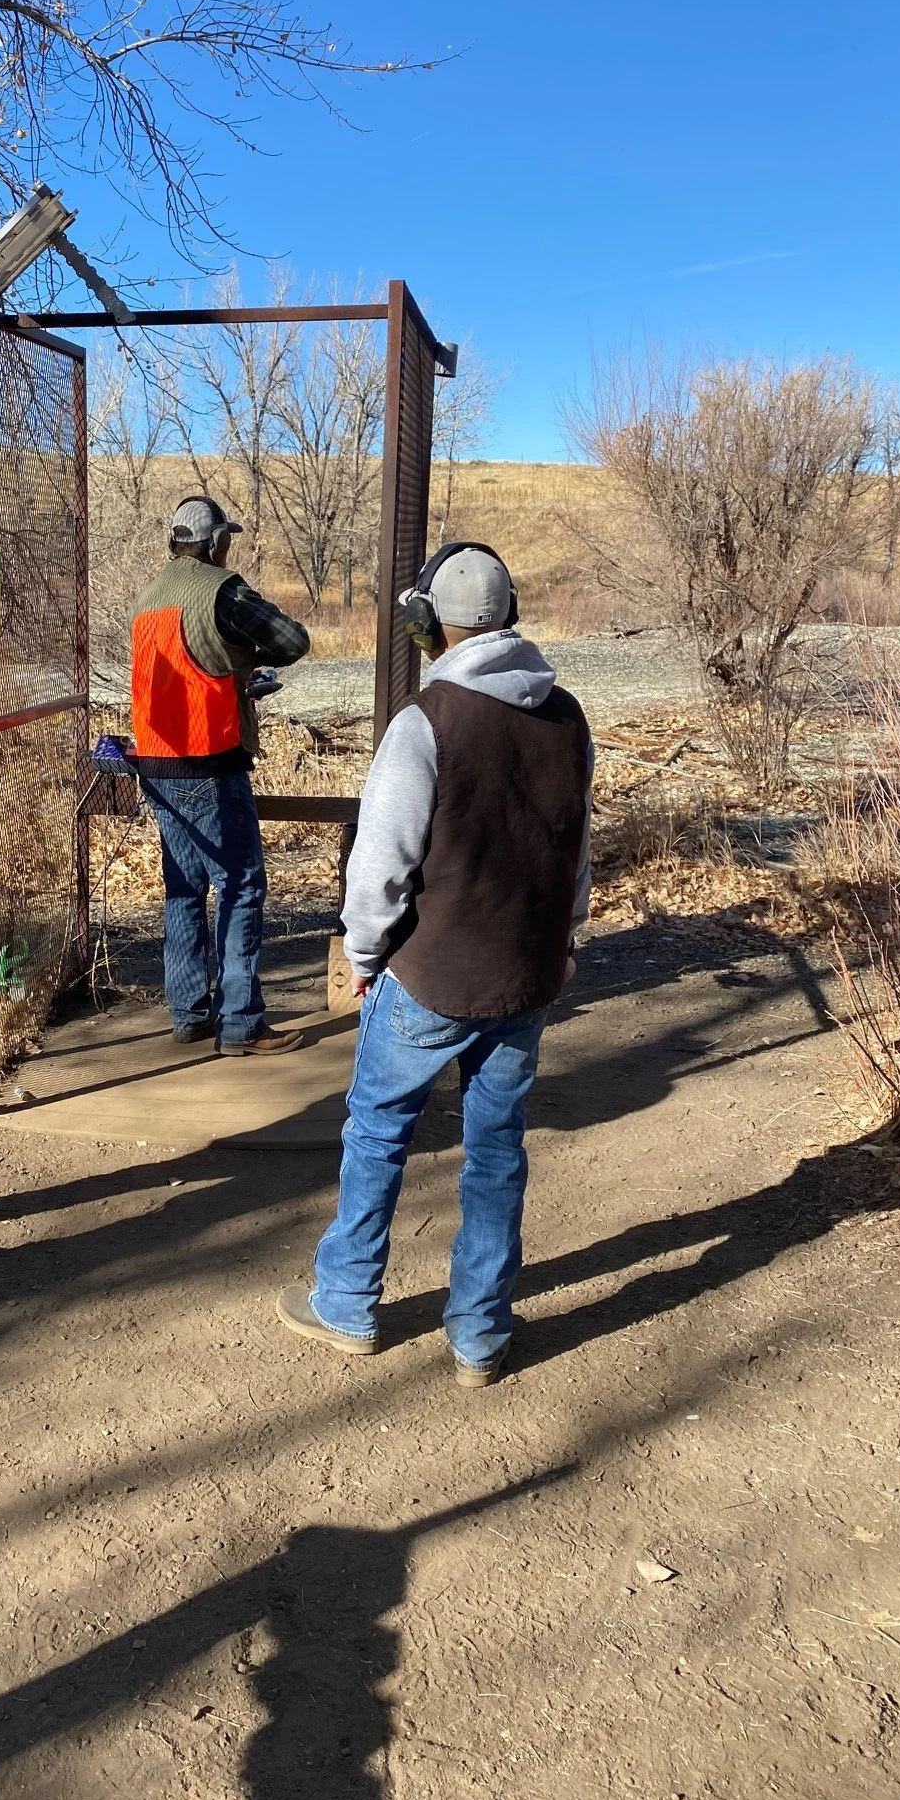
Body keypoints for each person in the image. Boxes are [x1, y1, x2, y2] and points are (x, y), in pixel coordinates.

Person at [276, 542, 593, 1386]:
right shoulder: (568, 717)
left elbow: (381, 861)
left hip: (432, 977)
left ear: (427, 625)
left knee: (379, 1130)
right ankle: (481, 1335)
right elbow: (576, 848)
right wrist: (564, 945)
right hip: (525, 976)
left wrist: (364, 952)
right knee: (497, 1149)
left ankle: (345, 1303)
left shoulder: (426, 721)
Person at [129, 495, 311, 1055]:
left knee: (184, 889)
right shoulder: (222, 589)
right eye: (225, 539)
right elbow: (292, 641)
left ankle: (188, 1014)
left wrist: (234, 670)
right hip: (209, 762)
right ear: (213, 544)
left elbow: (187, 672)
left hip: (156, 765)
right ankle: (241, 1025)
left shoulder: (148, 597)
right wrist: (251, 658)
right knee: (241, 885)